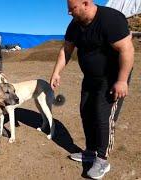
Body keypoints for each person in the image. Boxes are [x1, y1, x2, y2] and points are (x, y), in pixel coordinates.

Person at [50, 0, 134, 179]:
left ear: (85, 3)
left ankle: (102, 160)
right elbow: (66, 50)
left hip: (112, 78)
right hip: (91, 78)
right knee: (86, 111)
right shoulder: (75, 25)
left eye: (72, 9)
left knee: (103, 116)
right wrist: (57, 72)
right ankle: (90, 152)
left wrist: (122, 80)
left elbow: (127, 50)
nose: (69, 13)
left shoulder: (111, 19)